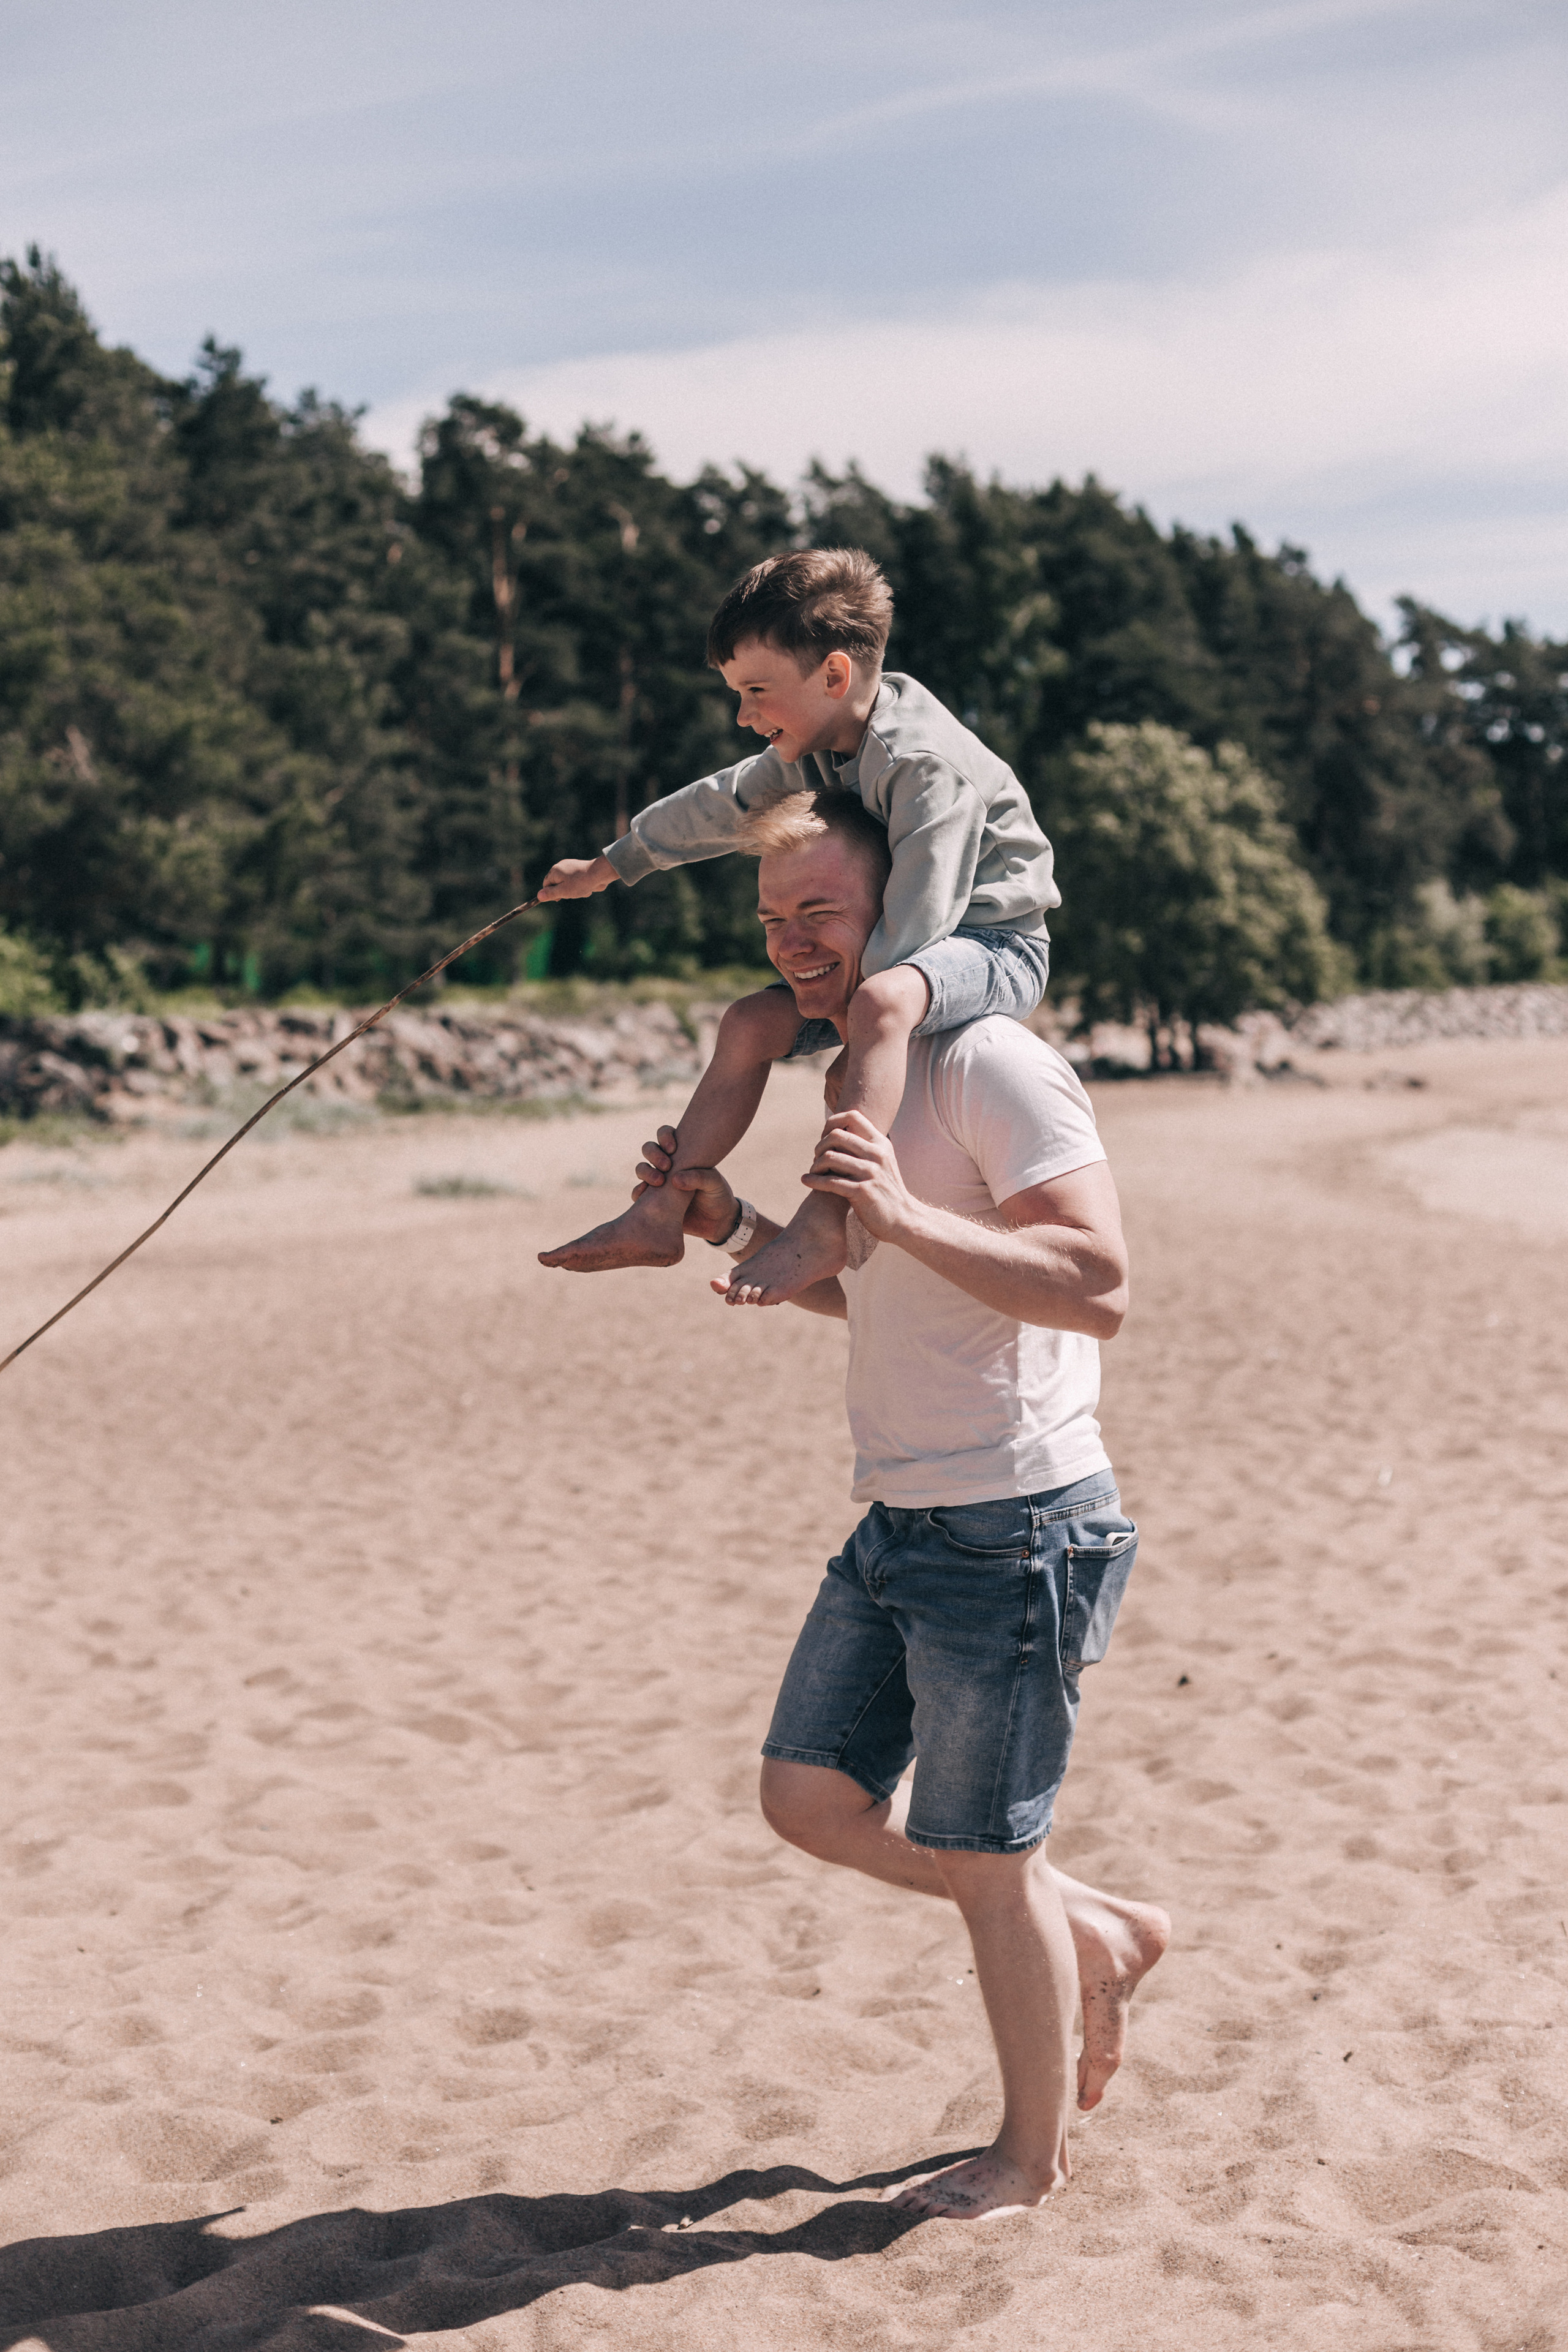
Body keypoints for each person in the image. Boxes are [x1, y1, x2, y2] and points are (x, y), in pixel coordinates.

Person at [630, 788, 1169, 2222]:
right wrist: (733, 1224)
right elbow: (866, 1291)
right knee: (806, 1794)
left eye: (822, 913)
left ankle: (1026, 2156)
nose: (795, 946)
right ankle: (1096, 1926)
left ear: (904, 917)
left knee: (990, 1864)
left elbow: (1100, 1287)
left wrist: (908, 1214)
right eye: (770, 920)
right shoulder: (848, 1078)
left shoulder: (990, 1063)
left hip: (1017, 1524)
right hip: (901, 1516)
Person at [537, 546, 1057, 1306]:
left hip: (991, 942)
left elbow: (921, 920)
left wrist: (860, 1040)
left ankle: (826, 1214)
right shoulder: (817, 745)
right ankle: (658, 1211)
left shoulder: (921, 764)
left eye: (755, 691)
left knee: (881, 1004)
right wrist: (611, 865)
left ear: (835, 677)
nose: (744, 716)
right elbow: (720, 803)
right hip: (897, 951)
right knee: (749, 1021)